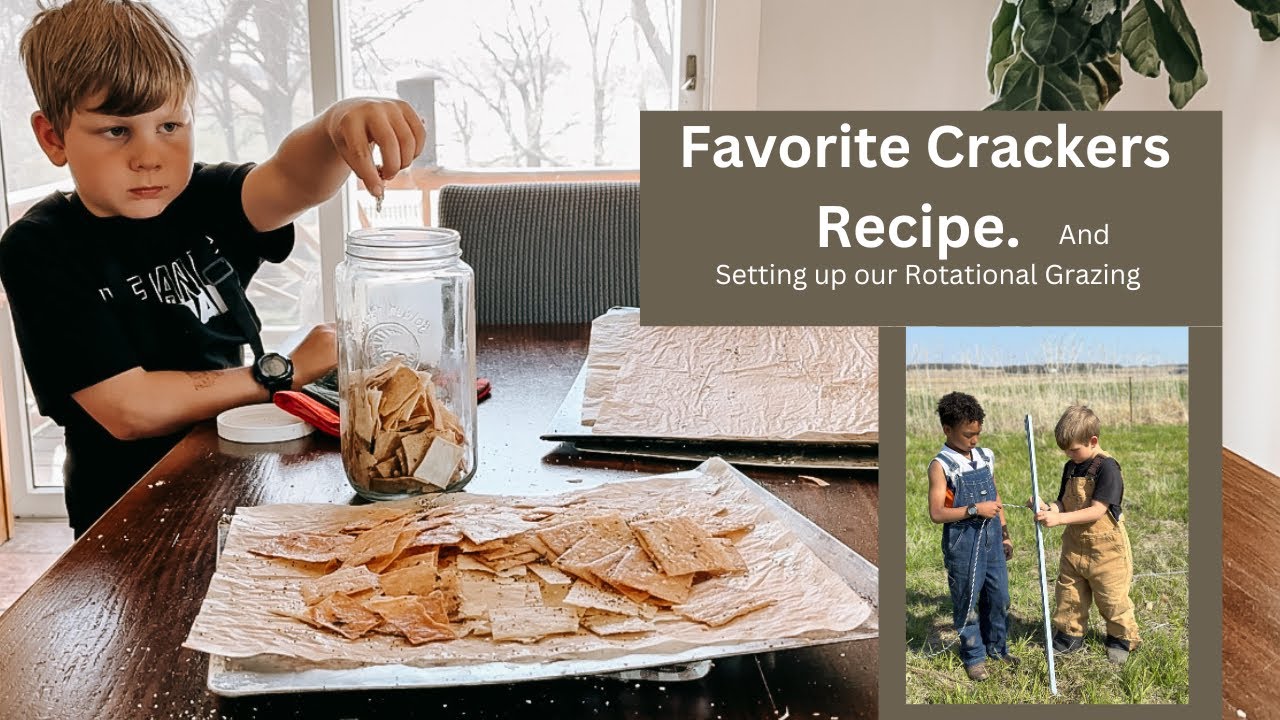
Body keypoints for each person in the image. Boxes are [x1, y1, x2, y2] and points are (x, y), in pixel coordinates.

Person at [0, 0, 425, 537]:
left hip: (234, 476)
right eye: (116, 131)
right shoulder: (40, 247)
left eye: (170, 125)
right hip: (127, 518)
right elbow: (128, 409)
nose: (149, 156)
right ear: (53, 138)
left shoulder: (201, 197)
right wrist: (279, 374)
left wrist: (336, 125)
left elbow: (290, 180)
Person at [1032, 404, 1141, 665]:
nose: (1069, 455)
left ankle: (1121, 638)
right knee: (1069, 592)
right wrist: (1048, 508)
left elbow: (1096, 511)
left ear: (1093, 441)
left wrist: (1059, 519)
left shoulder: (1108, 468)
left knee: (1111, 596)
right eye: (1066, 450)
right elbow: (1063, 503)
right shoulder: (1071, 466)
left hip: (1107, 550)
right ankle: (1070, 633)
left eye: (1073, 449)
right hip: (1074, 546)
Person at [926, 391, 1016, 682]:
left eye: (977, 433)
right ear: (947, 430)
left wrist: (1005, 533)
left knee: (1000, 597)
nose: (974, 440)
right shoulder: (941, 466)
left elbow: (995, 495)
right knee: (967, 601)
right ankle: (974, 657)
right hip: (963, 542)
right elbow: (937, 513)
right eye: (967, 435)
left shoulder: (986, 456)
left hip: (992, 540)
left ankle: (997, 647)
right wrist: (975, 509)